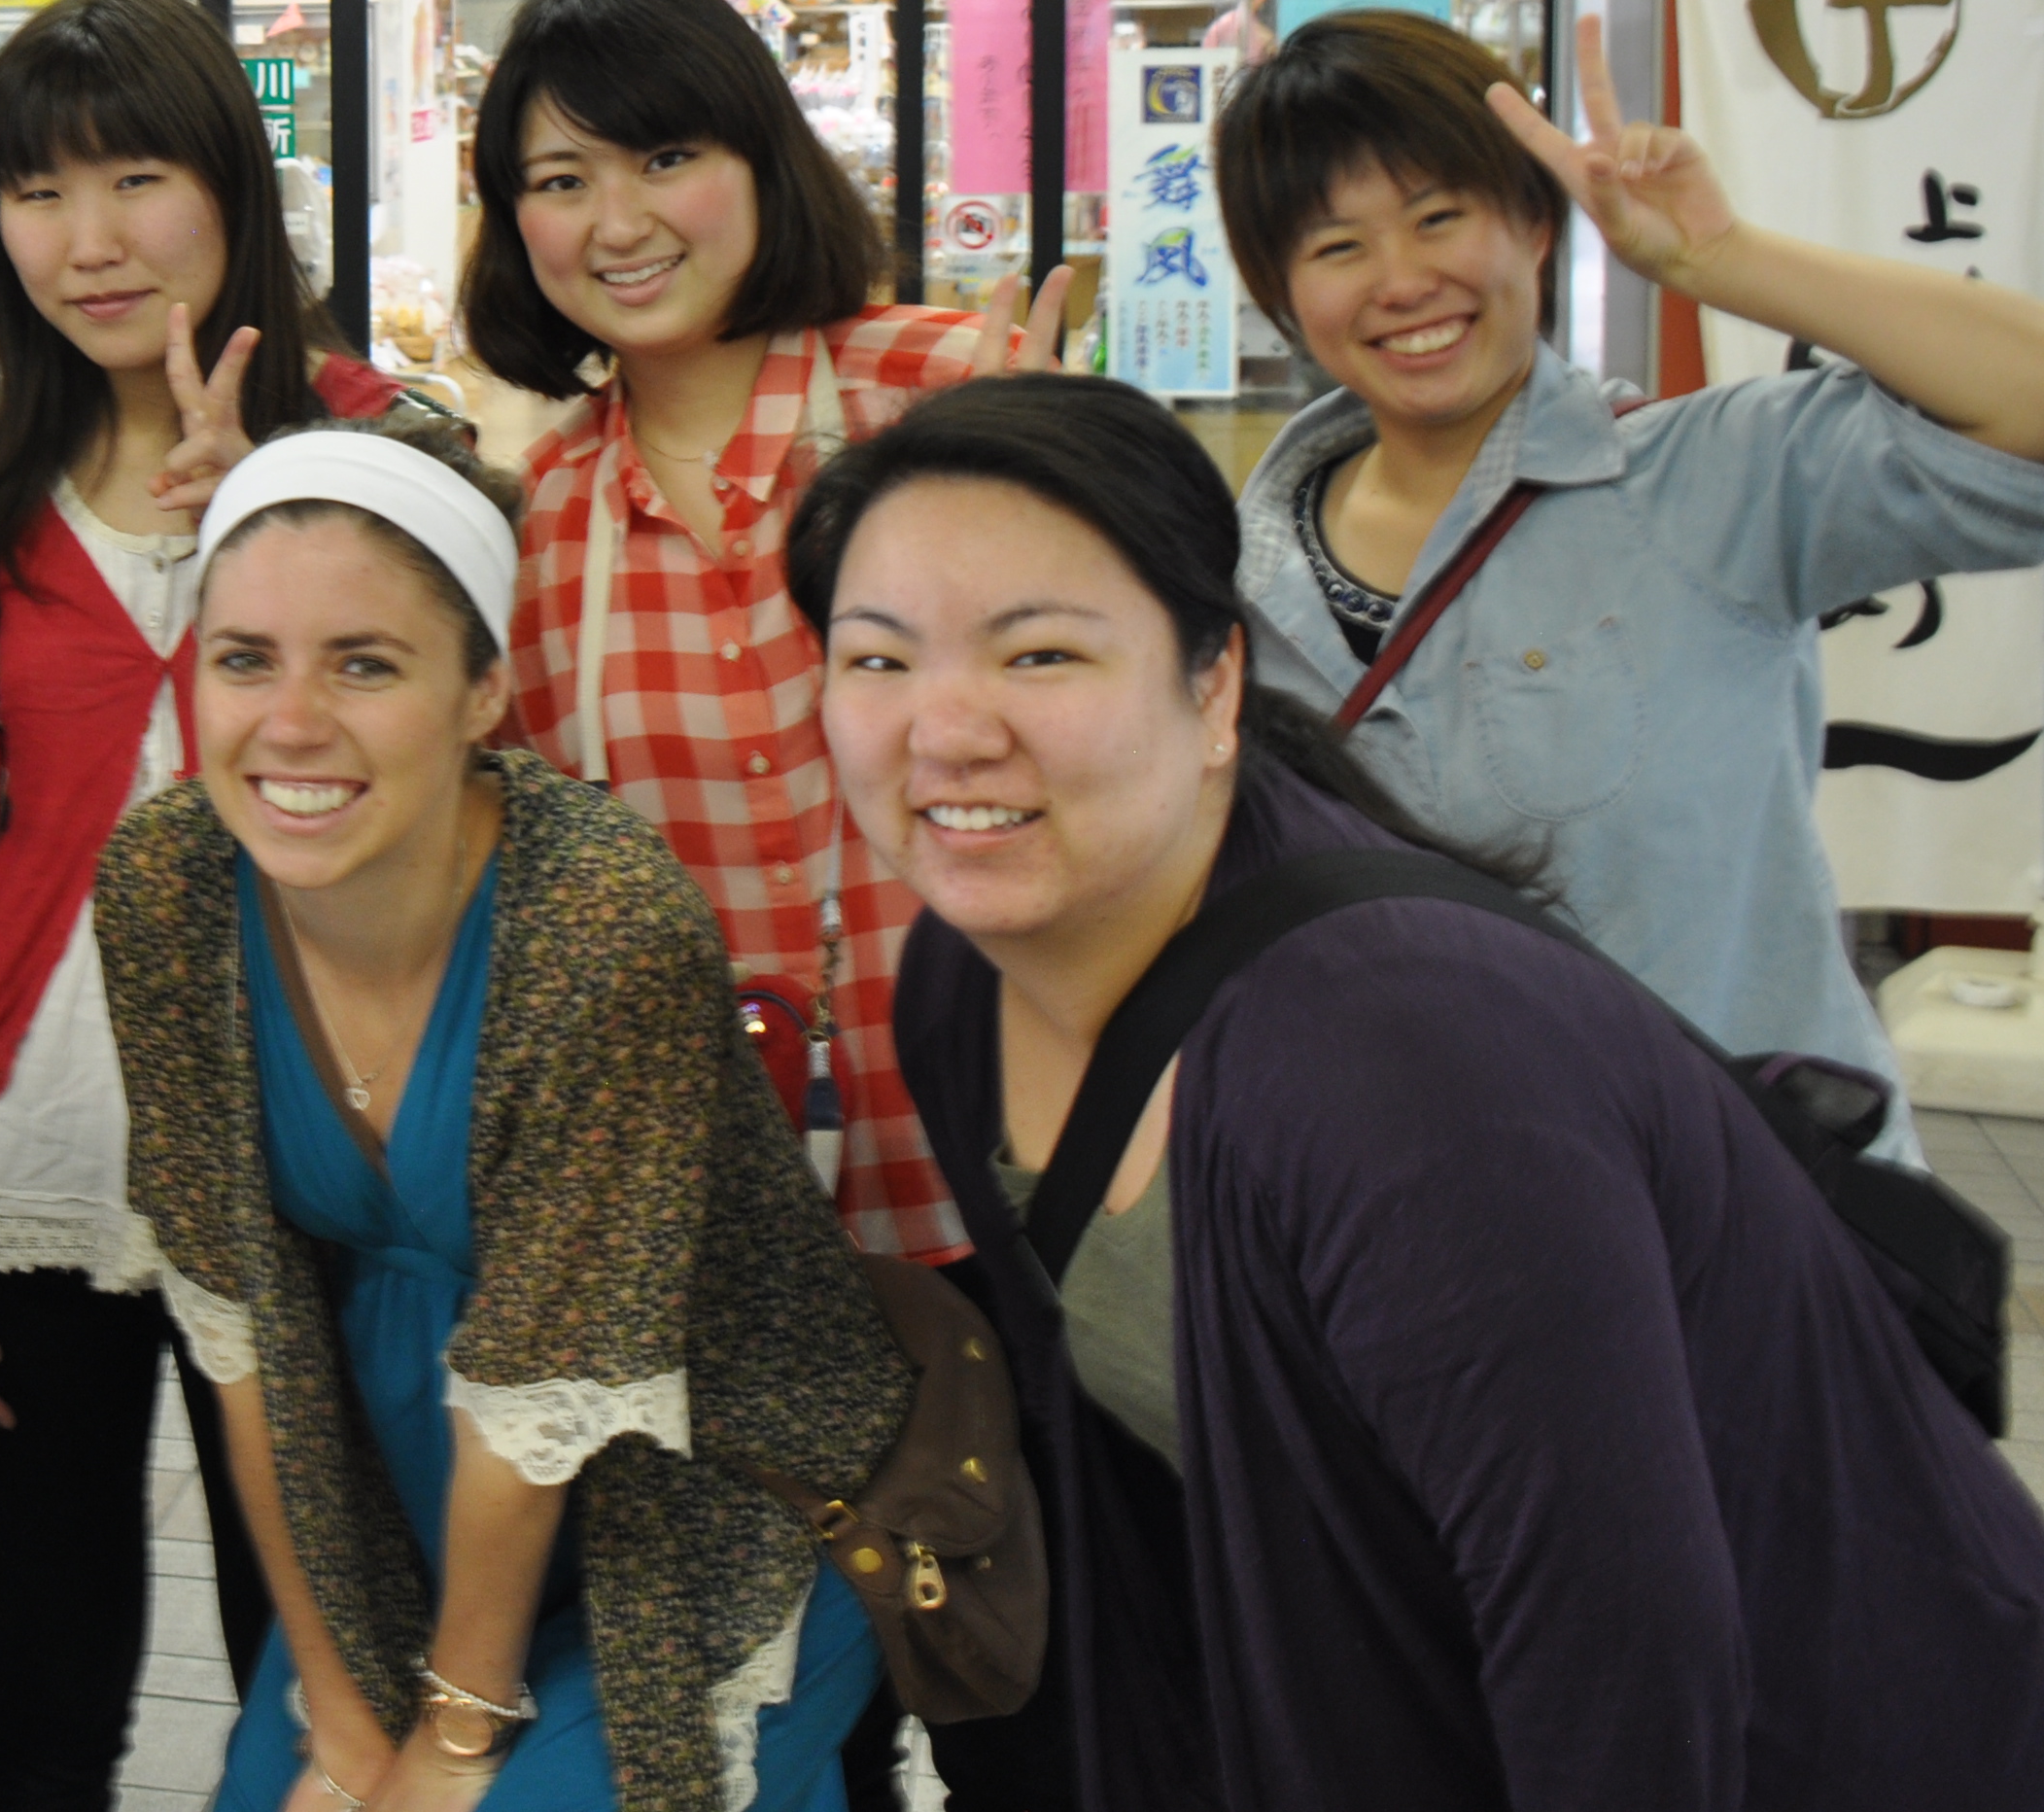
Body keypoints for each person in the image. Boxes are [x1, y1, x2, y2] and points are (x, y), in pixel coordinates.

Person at [813, 371, 2044, 1810]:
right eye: (879, 660)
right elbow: (1140, 1503)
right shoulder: (962, 986)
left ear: (1214, 685)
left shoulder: (1400, 1069)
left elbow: (1619, 1660)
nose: (945, 732)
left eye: (1040, 658)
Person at [99, 418, 910, 1812]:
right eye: (244, 660)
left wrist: (454, 1739)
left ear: (483, 692)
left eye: (364, 664)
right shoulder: (168, 884)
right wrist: (338, 1698)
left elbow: (545, 1398)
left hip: (704, 1484)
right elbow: (237, 1330)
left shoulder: (598, 922)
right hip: (396, 1484)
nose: (289, 724)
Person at [0, 0, 387, 1807]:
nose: (83, 241)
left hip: (322, 1163)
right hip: (31, 1164)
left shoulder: (385, 452)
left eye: (134, 177)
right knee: (45, 1662)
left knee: (316, 1656)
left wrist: (279, 531)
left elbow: (461, 800)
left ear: (230, 186)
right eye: (31, 191)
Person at [1213, 9, 2044, 1139]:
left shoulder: (1711, 483)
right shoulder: (1234, 581)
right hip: (1420, 1227)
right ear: (1282, 290)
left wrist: (1726, 262)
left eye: (1438, 216)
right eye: (1335, 246)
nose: (1400, 281)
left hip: (1744, 1233)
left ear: (1532, 224)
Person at [463, 0, 1066, 1261]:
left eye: (667, 156)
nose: (618, 222)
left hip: (1025, 1152)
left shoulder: (946, 394)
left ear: (763, 159)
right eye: (562, 180)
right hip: (721, 1204)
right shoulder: (549, 514)